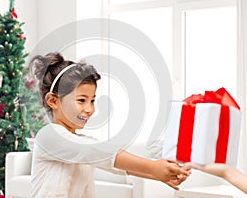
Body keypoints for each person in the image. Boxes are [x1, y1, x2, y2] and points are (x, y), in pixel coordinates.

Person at [29, 52, 190, 198]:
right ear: (53, 101)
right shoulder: (49, 136)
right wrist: (153, 167)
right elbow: (95, 151)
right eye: (81, 100)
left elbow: (114, 164)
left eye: (92, 101)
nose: (89, 109)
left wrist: (159, 174)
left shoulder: (81, 142)